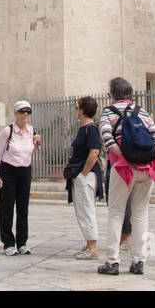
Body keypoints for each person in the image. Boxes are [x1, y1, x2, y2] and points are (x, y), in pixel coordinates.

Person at [97, 77, 155, 276]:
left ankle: (112, 261)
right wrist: (149, 156)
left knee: (116, 212)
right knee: (141, 213)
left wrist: (126, 156)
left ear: (112, 93)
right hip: (147, 167)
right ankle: (138, 261)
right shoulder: (141, 111)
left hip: (123, 167)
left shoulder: (108, 112)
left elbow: (107, 139)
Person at [0, 100, 41, 255]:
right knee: (6, 208)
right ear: (16, 113)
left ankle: (22, 242)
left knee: (23, 208)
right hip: (8, 171)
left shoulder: (32, 131)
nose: (25, 115)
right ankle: (8, 243)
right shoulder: (8, 131)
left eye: (28, 112)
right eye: (22, 112)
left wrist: (38, 144)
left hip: (25, 171)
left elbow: (32, 151)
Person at [66, 96, 102, 259]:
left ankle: (92, 247)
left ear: (82, 110)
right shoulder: (83, 128)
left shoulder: (91, 129)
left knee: (87, 210)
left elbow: (94, 152)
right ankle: (89, 243)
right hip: (80, 176)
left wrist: (83, 174)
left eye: (77, 107)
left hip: (85, 176)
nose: (76, 110)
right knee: (82, 210)